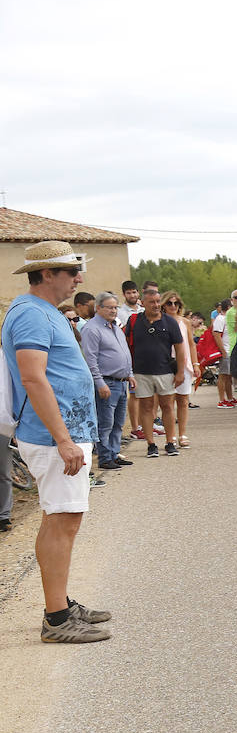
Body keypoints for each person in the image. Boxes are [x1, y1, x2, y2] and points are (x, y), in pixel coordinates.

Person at [4, 241, 111, 642]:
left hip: (60, 434)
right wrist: (63, 439)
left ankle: (60, 604)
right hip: (54, 436)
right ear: (46, 274)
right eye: (71, 272)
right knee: (63, 519)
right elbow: (33, 378)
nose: (79, 278)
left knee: (61, 517)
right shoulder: (32, 314)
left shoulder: (39, 311)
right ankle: (57, 619)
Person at [79, 292, 135, 472]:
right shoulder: (92, 329)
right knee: (105, 423)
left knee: (118, 422)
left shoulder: (115, 327)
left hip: (121, 381)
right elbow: (91, 359)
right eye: (109, 307)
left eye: (115, 307)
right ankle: (104, 457)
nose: (113, 310)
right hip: (107, 382)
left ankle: (114, 454)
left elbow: (124, 353)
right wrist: (99, 382)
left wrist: (130, 373)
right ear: (98, 308)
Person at [128, 286, 185, 456]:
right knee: (146, 407)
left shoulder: (170, 322)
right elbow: (126, 345)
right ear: (143, 303)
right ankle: (151, 444)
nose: (156, 305)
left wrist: (180, 372)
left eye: (158, 301)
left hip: (165, 371)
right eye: (152, 302)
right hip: (141, 372)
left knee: (167, 406)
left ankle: (170, 441)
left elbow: (180, 348)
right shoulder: (134, 321)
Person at [161, 291, 199, 446]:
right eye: (169, 303)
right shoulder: (160, 321)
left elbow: (191, 344)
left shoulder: (185, 322)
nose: (173, 306)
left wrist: (196, 364)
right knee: (167, 402)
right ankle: (171, 436)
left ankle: (183, 433)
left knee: (183, 400)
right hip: (165, 364)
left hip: (184, 363)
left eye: (176, 303)